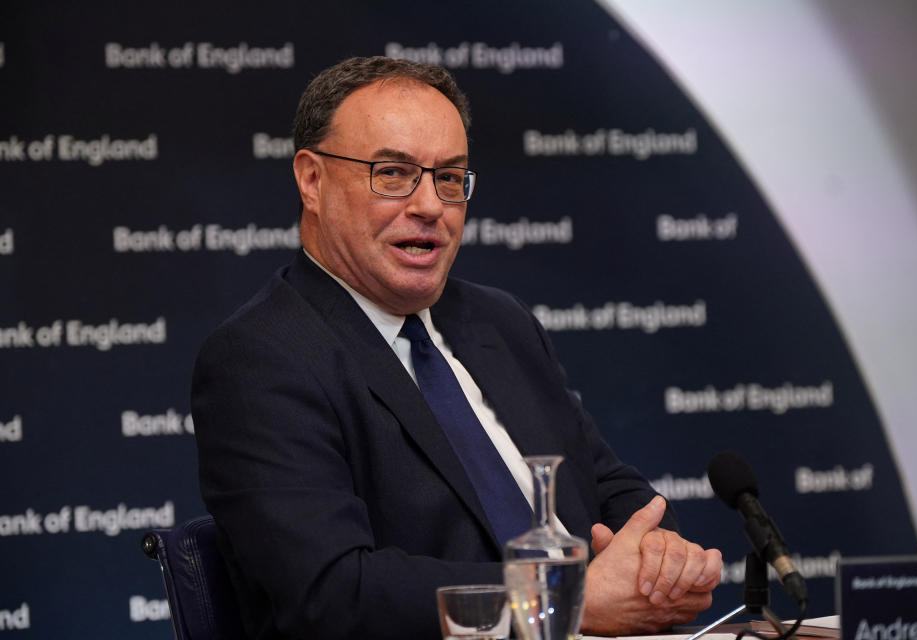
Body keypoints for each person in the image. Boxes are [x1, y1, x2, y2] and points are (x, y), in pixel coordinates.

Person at [192, 56, 722, 640]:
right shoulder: (262, 358)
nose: (429, 206)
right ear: (312, 181)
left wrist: (661, 556)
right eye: (392, 173)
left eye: (449, 177)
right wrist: (559, 603)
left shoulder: (499, 322)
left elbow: (607, 488)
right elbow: (333, 595)